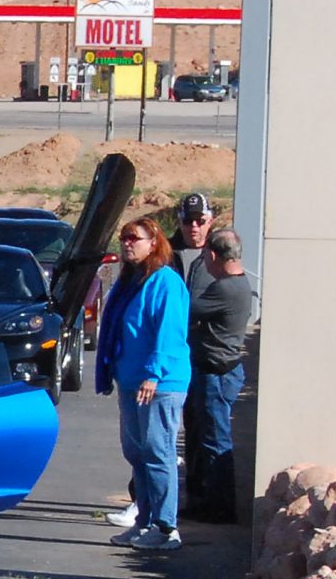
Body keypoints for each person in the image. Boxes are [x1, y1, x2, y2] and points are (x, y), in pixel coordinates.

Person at [99, 217, 192, 553]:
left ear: (153, 242)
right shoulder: (131, 281)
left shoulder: (165, 282)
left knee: (157, 452)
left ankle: (166, 527)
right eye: (123, 237)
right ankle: (144, 522)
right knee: (136, 452)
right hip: (131, 379)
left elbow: (168, 332)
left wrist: (153, 373)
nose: (127, 243)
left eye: (134, 238)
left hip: (160, 383)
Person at [184, 226, 255, 525]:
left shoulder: (224, 289)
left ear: (213, 255)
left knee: (215, 441)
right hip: (221, 370)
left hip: (216, 373)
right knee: (209, 438)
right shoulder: (239, 285)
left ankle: (221, 507)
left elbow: (188, 308)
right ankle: (210, 500)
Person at [170, 192, 215, 285]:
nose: (194, 225)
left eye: (200, 221)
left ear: (210, 222)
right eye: (188, 221)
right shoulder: (166, 251)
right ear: (180, 222)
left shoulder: (219, 252)